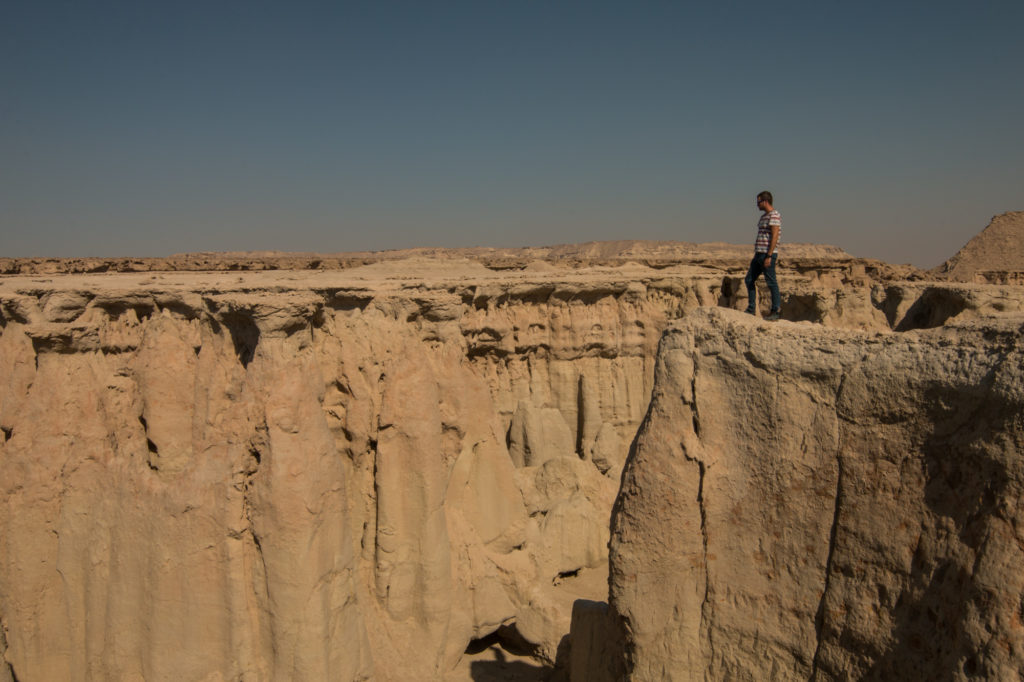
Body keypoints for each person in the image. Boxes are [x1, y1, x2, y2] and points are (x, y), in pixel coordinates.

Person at [744, 191, 782, 320]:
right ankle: (751, 309)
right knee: (749, 279)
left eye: (758, 202)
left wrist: (769, 255)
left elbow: (775, 235)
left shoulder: (774, 215)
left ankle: (775, 310)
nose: (757, 205)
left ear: (765, 201)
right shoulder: (764, 217)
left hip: (767, 254)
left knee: (771, 282)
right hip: (759, 254)